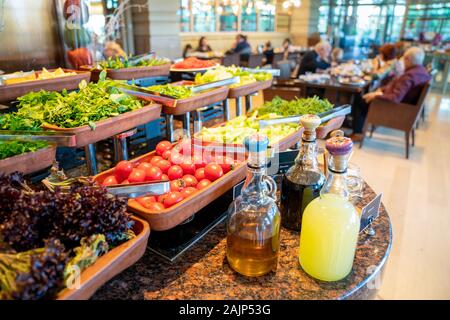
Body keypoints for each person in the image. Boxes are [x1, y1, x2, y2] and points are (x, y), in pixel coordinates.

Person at [350, 47, 431, 141]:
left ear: (408, 59)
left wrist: (376, 95)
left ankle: (357, 133)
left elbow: (395, 98)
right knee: (364, 98)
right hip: (405, 108)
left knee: (359, 101)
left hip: (394, 109)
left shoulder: (409, 76)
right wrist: (381, 90)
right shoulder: (422, 72)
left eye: (404, 59)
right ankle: (359, 128)